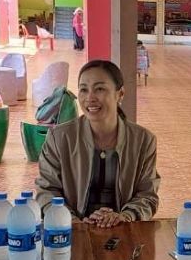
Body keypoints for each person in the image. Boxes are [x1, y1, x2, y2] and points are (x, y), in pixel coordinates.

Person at [36, 59, 159, 227]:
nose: (90, 98)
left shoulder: (143, 140)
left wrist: (125, 216)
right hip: (71, 231)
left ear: (120, 94)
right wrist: (74, 222)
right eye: (83, 90)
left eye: (100, 89)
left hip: (123, 230)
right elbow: (46, 191)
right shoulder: (59, 138)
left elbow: (147, 195)